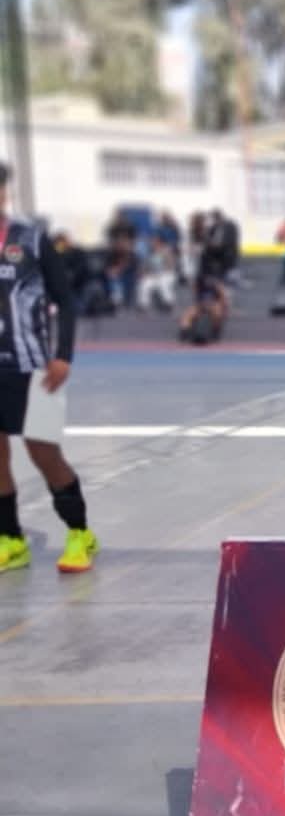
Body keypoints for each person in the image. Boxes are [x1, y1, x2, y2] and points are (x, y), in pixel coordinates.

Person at [0, 162, 99, 574]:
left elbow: (66, 301)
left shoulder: (32, 239)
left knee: (44, 454)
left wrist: (63, 356)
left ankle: (79, 533)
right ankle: (11, 538)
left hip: (34, 369)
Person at [178, 273, 229, 345]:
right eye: (206, 280)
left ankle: (216, 332)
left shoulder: (217, 287)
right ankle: (184, 332)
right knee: (188, 314)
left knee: (218, 312)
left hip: (214, 305)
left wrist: (223, 309)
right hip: (201, 305)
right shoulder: (198, 285)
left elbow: (223, 300)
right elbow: (196, 297)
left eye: (210, 280)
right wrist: (202, 305)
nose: (208, 282)